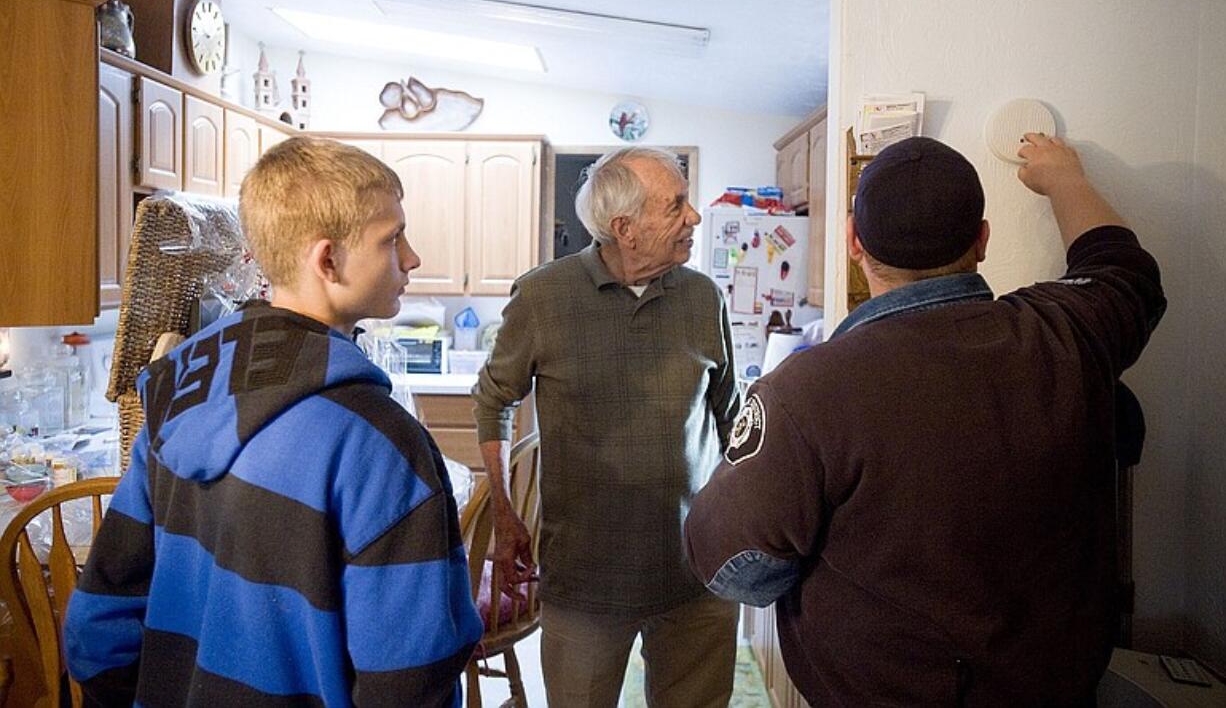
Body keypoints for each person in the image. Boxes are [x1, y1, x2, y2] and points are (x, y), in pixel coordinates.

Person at [684, 134, 1166, 705]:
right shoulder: (1065, 336)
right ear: (982, 241)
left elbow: (733, 567)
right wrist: (1064, 178)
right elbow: (1123, 269)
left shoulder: (805, 393)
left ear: (853, 242)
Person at [64, 137, 483, 706]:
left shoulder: (175, 394)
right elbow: (412, 678)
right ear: (327, 259)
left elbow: (99, 624)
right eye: (392, 239)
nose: (411, 258)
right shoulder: (379, 443)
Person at [472, 147, 742, 707]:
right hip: (586, 578)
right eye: (678, 206)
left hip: (694, 572)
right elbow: (494, 399)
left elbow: (730, 412)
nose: (693, 218)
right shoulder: (543, 296)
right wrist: (504, 511)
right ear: (626, 228)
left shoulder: (703, 297)